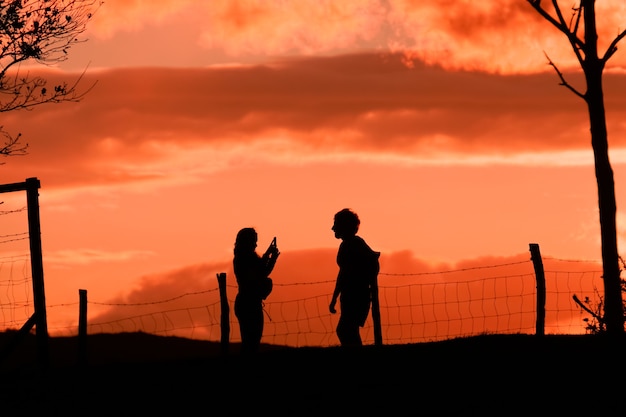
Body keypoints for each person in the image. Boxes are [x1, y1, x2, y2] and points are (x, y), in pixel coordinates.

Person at [329, 208, 379, 347]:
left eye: (336, 224)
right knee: (348, 330)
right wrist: (335, 297)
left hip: (356, 295)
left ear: (344, 226)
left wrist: (359, 283)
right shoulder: (348, 244)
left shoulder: (353, 244)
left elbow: (371, 263)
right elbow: (343, 273)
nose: (333, 228)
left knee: (345, 330)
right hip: (351, 295)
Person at [233, 227, 279, 355]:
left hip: (248, 302)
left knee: (251, 341)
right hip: (249, 304)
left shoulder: (244, 257)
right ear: (247, 242)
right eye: (254, 241)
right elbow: (262, 272)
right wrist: (271, 257)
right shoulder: (244, 258)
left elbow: (261, 270)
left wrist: (270, 256)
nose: (255, 244)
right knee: (251, 342)